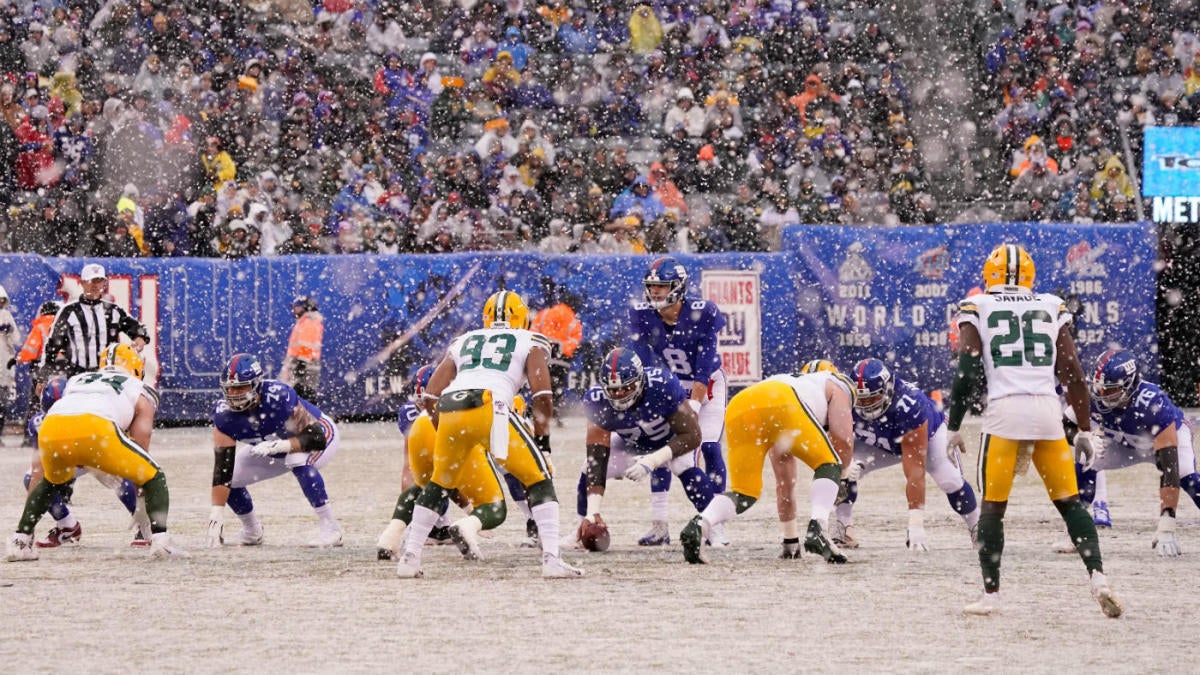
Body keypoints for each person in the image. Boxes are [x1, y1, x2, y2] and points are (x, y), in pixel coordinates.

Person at [946, 243, 1121, 617]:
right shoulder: (1049, 304)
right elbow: (1072, 368)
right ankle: (1098, 579)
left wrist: (954, 423)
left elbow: (968, 369)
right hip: (1047, 411)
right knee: (1070, 503)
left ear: (988, 275)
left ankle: (991, 595)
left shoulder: (979, 306)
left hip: (1005, 413)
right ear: (1030, 276)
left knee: (993, 508)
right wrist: (1085, 427)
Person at [395, 290, 582, 579]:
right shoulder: (530, 340)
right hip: (490, 406)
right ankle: (552, 559)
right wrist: (543, 442)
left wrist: (444, 429)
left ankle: (410, 558)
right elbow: (543, 394)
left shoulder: (464, 340)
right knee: (539, 478)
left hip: (451, 407)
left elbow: (430, 395)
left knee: (438, 484)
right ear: (522, 317)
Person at [5, 344, 180, 561]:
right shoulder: (138, 387)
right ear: (136, 367)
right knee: (155, 475)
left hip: (53, 427)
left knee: (50, 482)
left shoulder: (79, 378)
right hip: (97, 428)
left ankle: (20, 539)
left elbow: (68, 407)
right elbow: (141, 442)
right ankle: (161, 540)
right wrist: (143, 504)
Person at [680, 368, 857, 565]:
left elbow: (785, 483)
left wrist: (791, 542)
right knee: (829, 464)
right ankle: (819, 529)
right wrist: (843, 476)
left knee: (745, 493)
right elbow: (844, 442)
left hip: (742, 404)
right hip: (783, 401)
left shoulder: (796, 384)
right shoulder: (838, 385)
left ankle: (701, 523)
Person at [1055, 349, 1199, 557]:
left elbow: (1169, 470)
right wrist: (1080, 439)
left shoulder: (1153, 403)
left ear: (1129, 385)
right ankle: (1078, 529)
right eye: (1100, 388)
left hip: (1162, 440)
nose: (1102, 394)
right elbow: (1067, 424)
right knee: (1087, 457)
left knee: (1187, 476)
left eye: (1110, 389)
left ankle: (1168, 526)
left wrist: (1167, 523)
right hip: (1123, 441)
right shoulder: (1095, 395)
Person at [628, 257, 728, 547]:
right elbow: (644, 364)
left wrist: (694, 406)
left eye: (662, 287)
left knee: (708, 447)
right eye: (652, 287)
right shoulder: (642, 314)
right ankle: (660, 525)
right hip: (672, 386)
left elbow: (705, 364)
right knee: (664, 447)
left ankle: (716, 524)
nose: (656, 293)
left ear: (679, 288)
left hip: (707, 385)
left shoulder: (703, 312)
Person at [573, 347, 716, 546]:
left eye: (626, 388)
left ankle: (713, 528)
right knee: (587, 468)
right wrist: (593, 511)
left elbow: (692, 435)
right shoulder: (596, 400)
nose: (620, 394)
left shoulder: (662, 385)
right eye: (613, 390)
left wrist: (652, 460)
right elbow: (596, 457)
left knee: (682, 467)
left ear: (640, 381)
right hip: (633, 443)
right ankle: (582, 527)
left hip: (673, 439)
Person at [836, 358, 981, 550]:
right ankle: (843, 527)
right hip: (880, 441)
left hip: (928, 437)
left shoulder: (910, 405)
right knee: (836, 468)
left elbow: (915, 472)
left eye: (871, 399)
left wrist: (915, 525)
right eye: (861, 400)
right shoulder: (843, 399)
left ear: (887, 390)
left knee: (950, 480)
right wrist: (845, 465)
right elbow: (833, 442)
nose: (866, 406)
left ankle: (978, 527)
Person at [206, 353, 344, 549]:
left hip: (319, 435)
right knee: (232, 478)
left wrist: (281, 445)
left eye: (240, 387)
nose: (234, 394)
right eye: (230, 389)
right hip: (270, 447)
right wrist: (216, 512)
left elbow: (316, 438)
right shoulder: (223, 415)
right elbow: (223, 469)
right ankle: (252, 530)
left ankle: (331, 528)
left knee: (296, 459)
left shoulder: (278, 397)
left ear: (257, 384)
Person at [20, 376, 146, 549]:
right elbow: (36, 471)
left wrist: (26, 527)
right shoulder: (40, 422)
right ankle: (68, 526)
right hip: (77, 453)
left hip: (91, 447)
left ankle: (144, 523)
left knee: (120, 477)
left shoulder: (91, 406)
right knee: (31, 478)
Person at [41, 264, 150, 379]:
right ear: (82, 283)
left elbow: (139, 329)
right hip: (77, 377)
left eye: (99, 281)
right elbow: (53, 345)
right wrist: (42, 376)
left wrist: (141, 337)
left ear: (104, 283)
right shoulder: (68, 312)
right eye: (91, 281)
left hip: (107, 376)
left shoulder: (113, 310)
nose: (95, 285)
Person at [530, 285, 582, 425]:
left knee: (541, 386)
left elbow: (533, 330)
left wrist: (542, 346)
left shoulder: (545, 313)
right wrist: (561, 350)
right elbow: (574, 341)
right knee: (556, 387)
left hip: (542, 356)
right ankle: (556, 412)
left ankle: (538, 414)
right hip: (561, 360)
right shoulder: (573, 320)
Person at [13, 300, 60, 446]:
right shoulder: (62, 325)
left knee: (36, 401)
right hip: (60, 369)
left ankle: (31, 436)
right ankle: (57, 434)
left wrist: (18, 359)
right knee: (58, 400)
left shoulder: (39, 327)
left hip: (40, 369)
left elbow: (29, 351)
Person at [280, 296, 324, 403]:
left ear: (305, 307)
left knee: (304, 396)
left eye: (297, 307)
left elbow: (306, 345)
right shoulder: (305, 321)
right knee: (303, 395)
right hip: (302, 366)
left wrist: (302, 363)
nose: (294, 310)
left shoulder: (309, 322)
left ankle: (306, 418)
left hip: (305, 367)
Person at [0, 285, 19, 436]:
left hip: (4, 364)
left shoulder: (6, 315)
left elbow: (16, 339)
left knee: (2, 402)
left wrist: (10, 331)